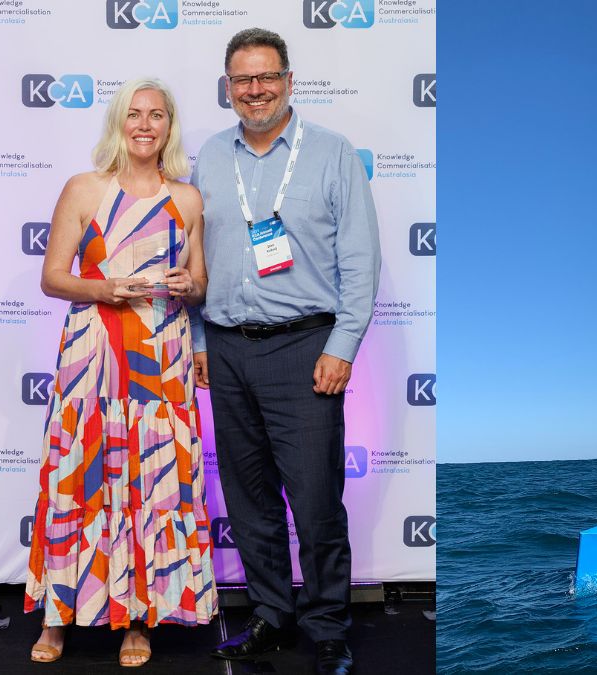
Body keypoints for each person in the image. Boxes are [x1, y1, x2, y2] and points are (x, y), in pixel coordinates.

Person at [190, 28, 380, 675]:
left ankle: (327, 625)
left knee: (316, 499)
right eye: (242, 80)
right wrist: (197, 338)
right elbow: (193, 261)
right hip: (227, 348)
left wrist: (343, 344)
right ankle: (271, 614)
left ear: (290, 81)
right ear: (228, 88)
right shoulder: (210, 159)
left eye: (266, 76)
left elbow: (360, 260)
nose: (255, 89)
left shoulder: (332, 154)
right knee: (248, 498)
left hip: (306, 348)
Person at [24, 78, 216, 667]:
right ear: (117, 122)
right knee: (78, 479)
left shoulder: (186, 199)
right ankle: (58, 617)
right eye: (133, 114)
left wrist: (189, 285)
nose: (144, 124)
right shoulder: (83, 188)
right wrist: (106, 286)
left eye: (157, 114)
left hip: (162, 359)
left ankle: (139, 618)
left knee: (151, 482)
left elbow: (200, 282)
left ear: (169, 126)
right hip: (94, 355)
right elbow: (53, 277)